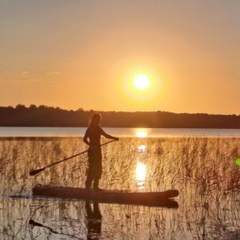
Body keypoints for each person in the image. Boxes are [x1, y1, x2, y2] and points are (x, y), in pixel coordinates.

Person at [83, 113, 119, 190]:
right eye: (96, 119)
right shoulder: (90, 129)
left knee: (99, 168)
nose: (98, 121)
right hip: (92, 151)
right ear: (93, 119)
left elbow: (106, 135)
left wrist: (114, 138)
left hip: (98, 150)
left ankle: (95, 186)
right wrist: (90, 145)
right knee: (92, 168)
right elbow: (84, 139)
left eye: (99, 120)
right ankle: (88, 186)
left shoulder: (99, 128)